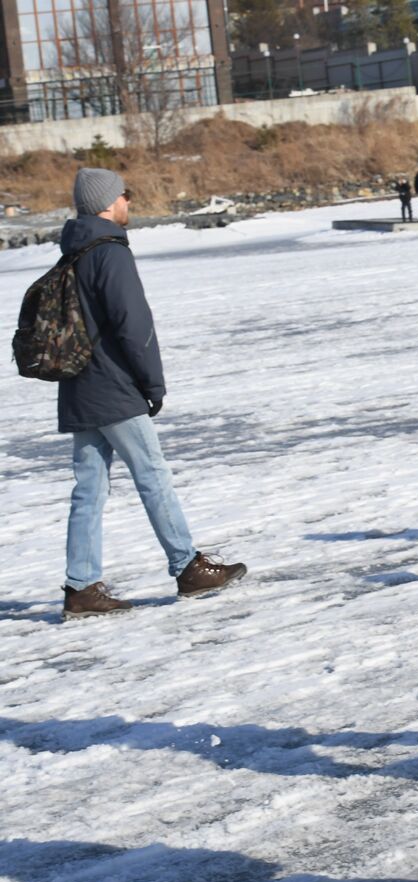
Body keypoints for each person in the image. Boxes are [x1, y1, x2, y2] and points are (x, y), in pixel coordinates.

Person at [58, 168, 247, 620]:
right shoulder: (109, 252)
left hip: (80, 386)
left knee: (89, 488)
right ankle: (188, 567)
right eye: (125, 195)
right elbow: (134, 325)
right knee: (152, 474)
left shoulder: (73, 249)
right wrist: (152, 384)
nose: (129, 202)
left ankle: (81, 587)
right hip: (113, 387)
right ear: (108, 202)